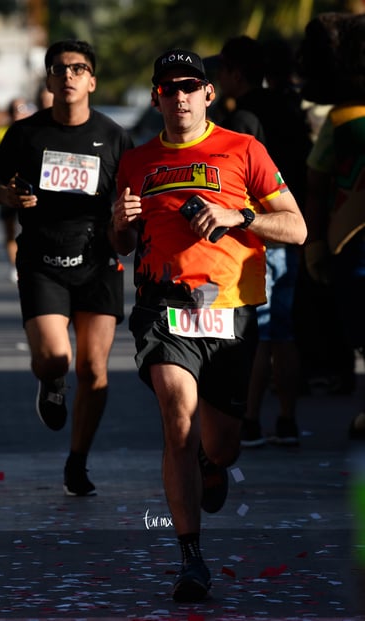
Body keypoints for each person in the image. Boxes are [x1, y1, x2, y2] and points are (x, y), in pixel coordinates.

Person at [110, 48, 307, 602]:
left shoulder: (244, 149)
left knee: (220, 443)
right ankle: (191, 558)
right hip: (161, 307)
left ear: (208, 93)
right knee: (178, 416)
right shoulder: (136, 160)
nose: (180, 96)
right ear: (157, 96)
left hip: (231, 309)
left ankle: (209, 463)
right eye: (169, 87)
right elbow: (121, 245)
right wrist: (118, 227)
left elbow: (296, 229)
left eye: (189, 85)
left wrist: (237, 216)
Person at [0, 39, 133, 495]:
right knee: (56, 358)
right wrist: (8, 196)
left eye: (78, 68)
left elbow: (131, 197)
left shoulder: (113, 137)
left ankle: (77, 461)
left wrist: (125, 224)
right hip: (42, 260)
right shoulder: (26, 133)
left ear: (91, 80)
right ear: (48, 80)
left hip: (96, 260)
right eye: (59, 69)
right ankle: (51, 381)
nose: (67, 76)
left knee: (93, 368)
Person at [207, 36, 312, 447]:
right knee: (282, 332)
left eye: (221, 72)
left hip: (258, 234)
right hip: (292, 228)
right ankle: (287, 419)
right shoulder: (290, 108)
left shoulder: (243, 119)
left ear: (235, 73)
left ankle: (248, 419)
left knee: (254, 328)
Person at [302, 13, 365, 441]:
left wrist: (317, 244)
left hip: (349, 241)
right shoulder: (342, 120)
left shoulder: (342, 120)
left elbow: (315, 185)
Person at [0, 98, 37, 282]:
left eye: (23, 108)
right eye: (15, 109)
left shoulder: (37, 131)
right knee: (9, 230)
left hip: (31, 191)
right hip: (8, 189)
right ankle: (14, 265)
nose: (19, 112)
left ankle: (32, 263)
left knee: (31, 229)